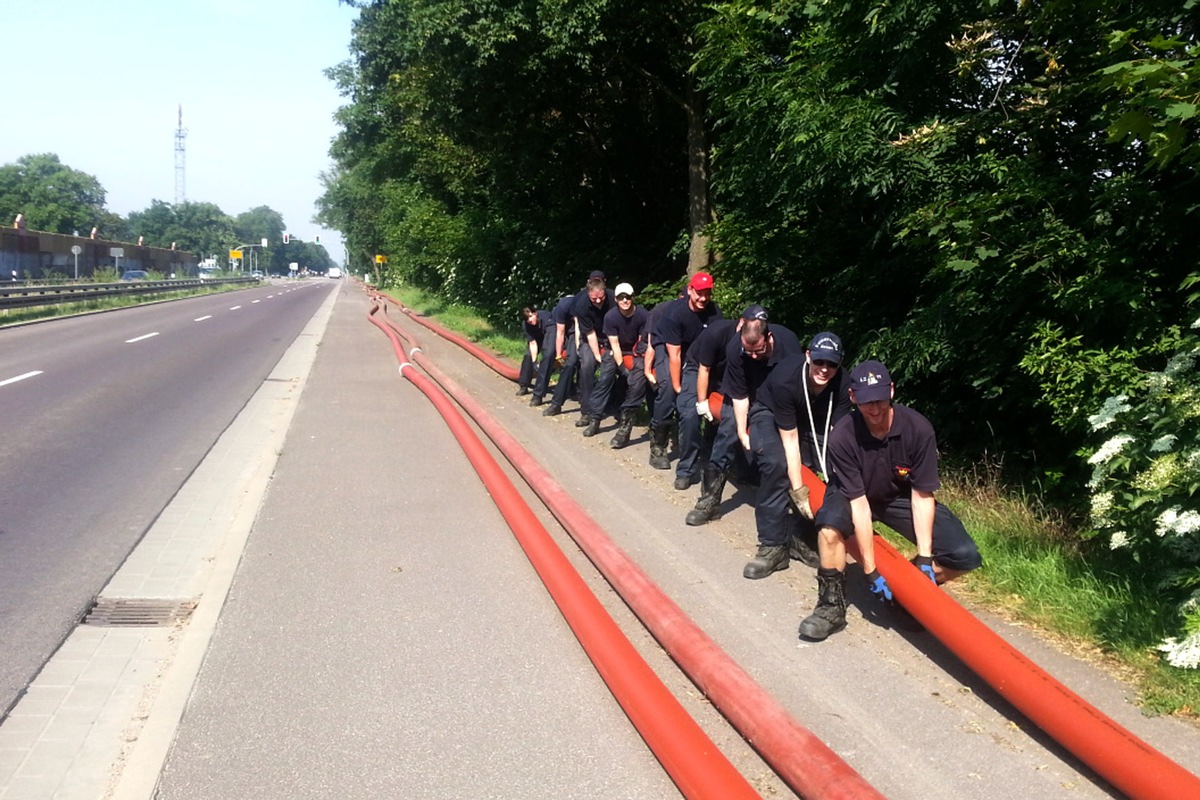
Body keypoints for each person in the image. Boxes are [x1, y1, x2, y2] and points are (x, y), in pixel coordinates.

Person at [797, 359, 983, 641]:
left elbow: (922, 495)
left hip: (898, 495)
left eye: (880, 400)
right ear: (853, 397)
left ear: (892, 391)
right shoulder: (844, 436)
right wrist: (870, 570)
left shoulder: (918, 429)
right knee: (829, 530)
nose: (874, 409)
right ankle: (830, 606)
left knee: (964, 554)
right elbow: (859, 504)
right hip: (854, 493)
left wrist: (924, 557)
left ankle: (905, 594)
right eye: (866, 402)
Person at [740, 332, 849, 578]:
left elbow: (839, 435)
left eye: (831, 364)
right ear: (808, 356)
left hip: (810, 419)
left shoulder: (843, 384)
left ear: (840, 362)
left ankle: (801, 537)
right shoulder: (786, 380)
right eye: (819, 361)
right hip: (769, 413)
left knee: (836, 467)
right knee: (776, 464)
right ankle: (772, 546)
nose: (824, 369)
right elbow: (790, 440)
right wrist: (799, 491)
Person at [651, 272, 722, 488]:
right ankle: (665, 449)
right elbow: (675, 355)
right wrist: (678, 386)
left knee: (704, 410)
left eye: (707, 294)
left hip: (705, 361)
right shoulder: (674, 315)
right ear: (690, 290)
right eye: (699, 293)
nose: (703, 298)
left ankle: (710, 457)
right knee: (676, 399)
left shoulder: (715, 313)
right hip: (676, 353)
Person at [682, 317, 740, 524]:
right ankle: (707, 496)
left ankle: (745, 471)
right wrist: (702, 403)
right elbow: (703, 370)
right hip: (700, 368)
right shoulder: (717, 333)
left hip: (737, 383)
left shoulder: (762, 346)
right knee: (693, 415)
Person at [582, 282, 649, 443]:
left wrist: (634, 363)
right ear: (616, 299)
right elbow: (615, 344)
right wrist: (621, 367)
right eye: (621, 298)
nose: (625, 300)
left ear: (633, 297)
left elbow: (642, 342)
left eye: (627, 297)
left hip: (635, 351)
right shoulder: (611, 317)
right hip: (615, 350)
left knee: (635, 380)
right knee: (606, 377)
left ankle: (626, 416)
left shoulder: (643, 315)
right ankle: (595, 418)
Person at [572, 272, 617, 428]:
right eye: (594, 299)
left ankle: (614, 405)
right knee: (587, 366)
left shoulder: (613, 298)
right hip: (590, 337)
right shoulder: (582, 305)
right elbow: (589, 335)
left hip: (611, 336)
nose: (598, 301)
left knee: (616, 366)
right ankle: (587, 411)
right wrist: (598, 356)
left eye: (601, 297)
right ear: (588, 294)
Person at [532, 294, 575, 408]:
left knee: (573, 360)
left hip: (575, 332)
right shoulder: (561, 308)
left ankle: (572, 388)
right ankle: (538, 394)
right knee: (549, 354)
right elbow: (559, 332)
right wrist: (559, 354)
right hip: (558, 328)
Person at [516, 306, 553, 397]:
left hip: (549, 336)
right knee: (528, 356)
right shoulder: (526, 325)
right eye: (527, 319)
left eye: (530, 316)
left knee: (548, 355)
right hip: (536, 339)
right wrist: (535, 362)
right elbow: (532, 343)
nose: (529, 320)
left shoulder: (546, 317)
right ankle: (524, 385)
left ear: (535, 313)